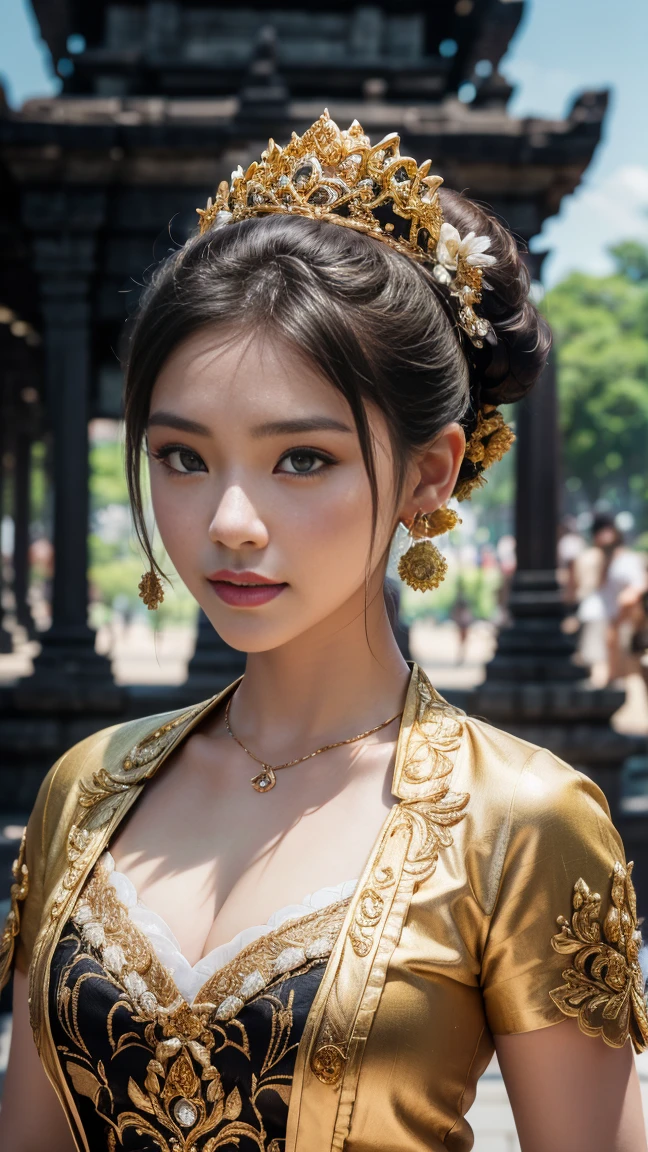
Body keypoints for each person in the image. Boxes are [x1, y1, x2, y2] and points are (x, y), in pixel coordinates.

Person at [0, 112, 645, 1152]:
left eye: (302, 459)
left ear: (429, 472)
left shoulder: (520, 824)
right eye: (182, 458)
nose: (229, 523)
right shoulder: (87, 788)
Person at [575, 513, 647, 684]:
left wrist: (619, 619)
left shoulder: (626, 560)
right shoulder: (603, 561)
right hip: (610, 629)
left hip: (625, 630)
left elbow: (637, 588)